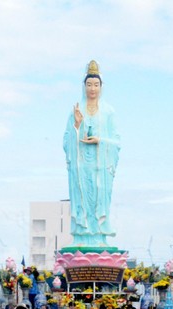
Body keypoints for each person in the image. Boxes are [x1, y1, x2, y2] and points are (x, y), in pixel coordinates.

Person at [62, 59, 121, 247]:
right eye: (89, 84)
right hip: (81, 166)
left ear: (101, 87)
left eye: (96, 84)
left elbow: (117, 141)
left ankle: (99, 234)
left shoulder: (108, 112)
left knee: (99, 196)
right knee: (82, 195)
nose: (92, 89)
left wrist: (100, 140)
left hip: (101, 166)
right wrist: (77, 125)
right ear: (84, 86)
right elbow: (66, 141)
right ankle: (82, 233)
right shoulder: (76, 110)